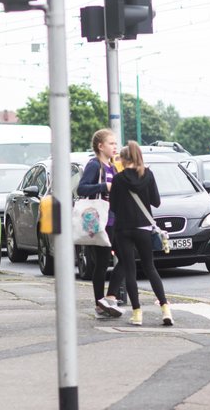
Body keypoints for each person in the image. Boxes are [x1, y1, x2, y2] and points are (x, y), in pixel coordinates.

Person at [109, 141, 173, 326]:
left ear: (124, 159)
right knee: (150, 268)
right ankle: (165, 309)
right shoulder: (148, 175)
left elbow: (113, 206)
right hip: (144, 227)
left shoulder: (119, 179)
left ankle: (137, 314)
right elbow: (156, 202)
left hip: (123, 229)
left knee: (130, 270)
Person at [77, 129, 125, 319]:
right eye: (111, 143)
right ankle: (101, 302)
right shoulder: (94, 165)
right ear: (100, 146)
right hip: (99, 219)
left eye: (115, 143)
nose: (115, 147)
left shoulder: (112, 166)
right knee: (103, 262)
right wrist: (104, 186)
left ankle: (107, 298)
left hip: (112, 218)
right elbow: (81, 188)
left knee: (122, 258)